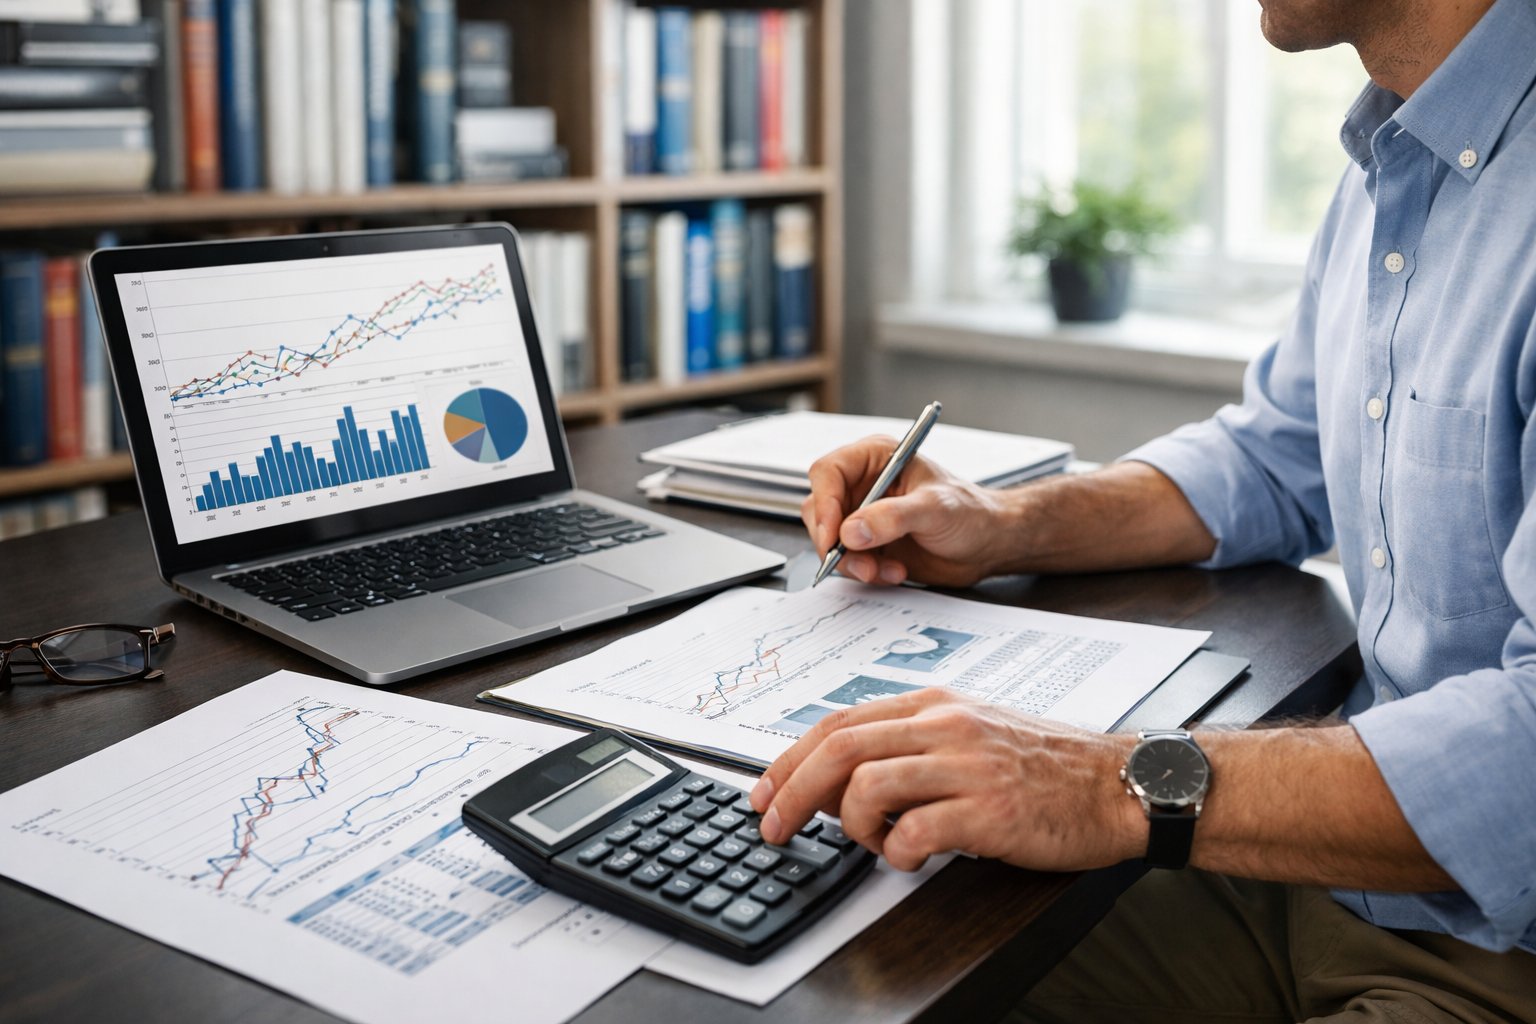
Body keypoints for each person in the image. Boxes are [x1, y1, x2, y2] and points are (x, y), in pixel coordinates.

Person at [746, 0, 1536, 1020]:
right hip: (1326, 882)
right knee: (859, 987)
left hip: (1500, 953)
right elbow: (1273, 454)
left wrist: (1103, 783)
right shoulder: (1396, 150)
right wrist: (1002, 523)